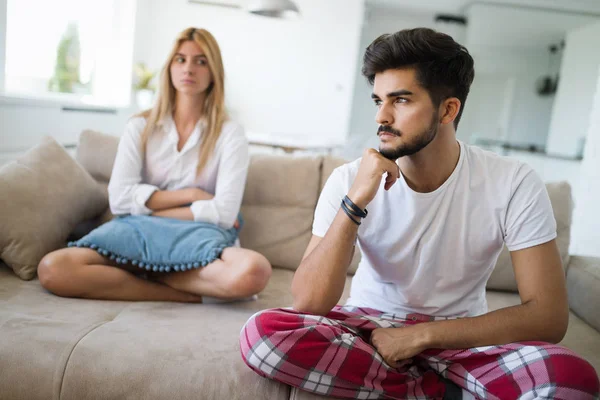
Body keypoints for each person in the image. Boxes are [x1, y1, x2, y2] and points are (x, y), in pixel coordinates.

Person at [240, 28, 599, 399]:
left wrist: (420, 336)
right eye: (378, 100)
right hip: (369, 331)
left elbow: (548, 317)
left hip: (462, 339)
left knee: (572, 376)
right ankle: (438, 390)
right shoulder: (348, 180)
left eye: (401, 100)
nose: (382, 116)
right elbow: (309, 304)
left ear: (448, 109)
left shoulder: (513, 181)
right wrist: (356, 200)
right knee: (263, 333)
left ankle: (408, 385)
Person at [38, 27, 271, 303]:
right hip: (135, 231)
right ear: (169, 67)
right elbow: (120, 200)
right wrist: (193, 196)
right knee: (53, 268)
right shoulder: (140, 126)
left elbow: (223, 212)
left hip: (197, 236)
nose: (189, 68)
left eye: (201, 61)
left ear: (214, 73)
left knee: (254, 272)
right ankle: (178, 293)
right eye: (180, 59)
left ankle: (150, 272)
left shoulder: (229, 133)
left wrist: (151, 209)